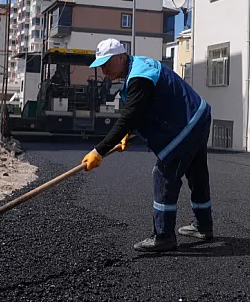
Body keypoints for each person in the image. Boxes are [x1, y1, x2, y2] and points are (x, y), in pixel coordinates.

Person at [81, 38, 213, 253]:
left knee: (163, 174)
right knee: (196, 172)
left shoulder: (139, 77)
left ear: (121, 57)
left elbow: (128, 115)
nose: (104, 71)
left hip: (187, 123)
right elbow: (142, 109)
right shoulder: (139, 66)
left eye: (107, 64)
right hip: (199, 114)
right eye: (101, 66)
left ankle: (163, 236)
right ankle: (203, 226)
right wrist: (128, 134)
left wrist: (99, 151)